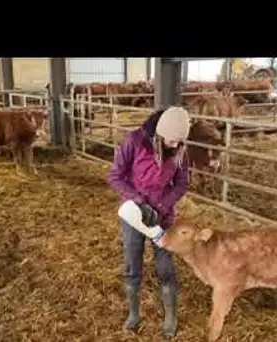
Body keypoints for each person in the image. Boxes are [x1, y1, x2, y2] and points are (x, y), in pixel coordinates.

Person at [108, 106, 190, 339]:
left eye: (179, 142)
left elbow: (182, 184)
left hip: (162, 217)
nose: (175, 146)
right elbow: (115, 176)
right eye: (172, 141)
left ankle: (170, 316)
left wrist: (162, 207)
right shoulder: (134, 141)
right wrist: (138, 200)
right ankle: (134, 313)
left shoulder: (180, 148)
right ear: (160, 134)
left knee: (165, 266)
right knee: (132, 264)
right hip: (134, 214)